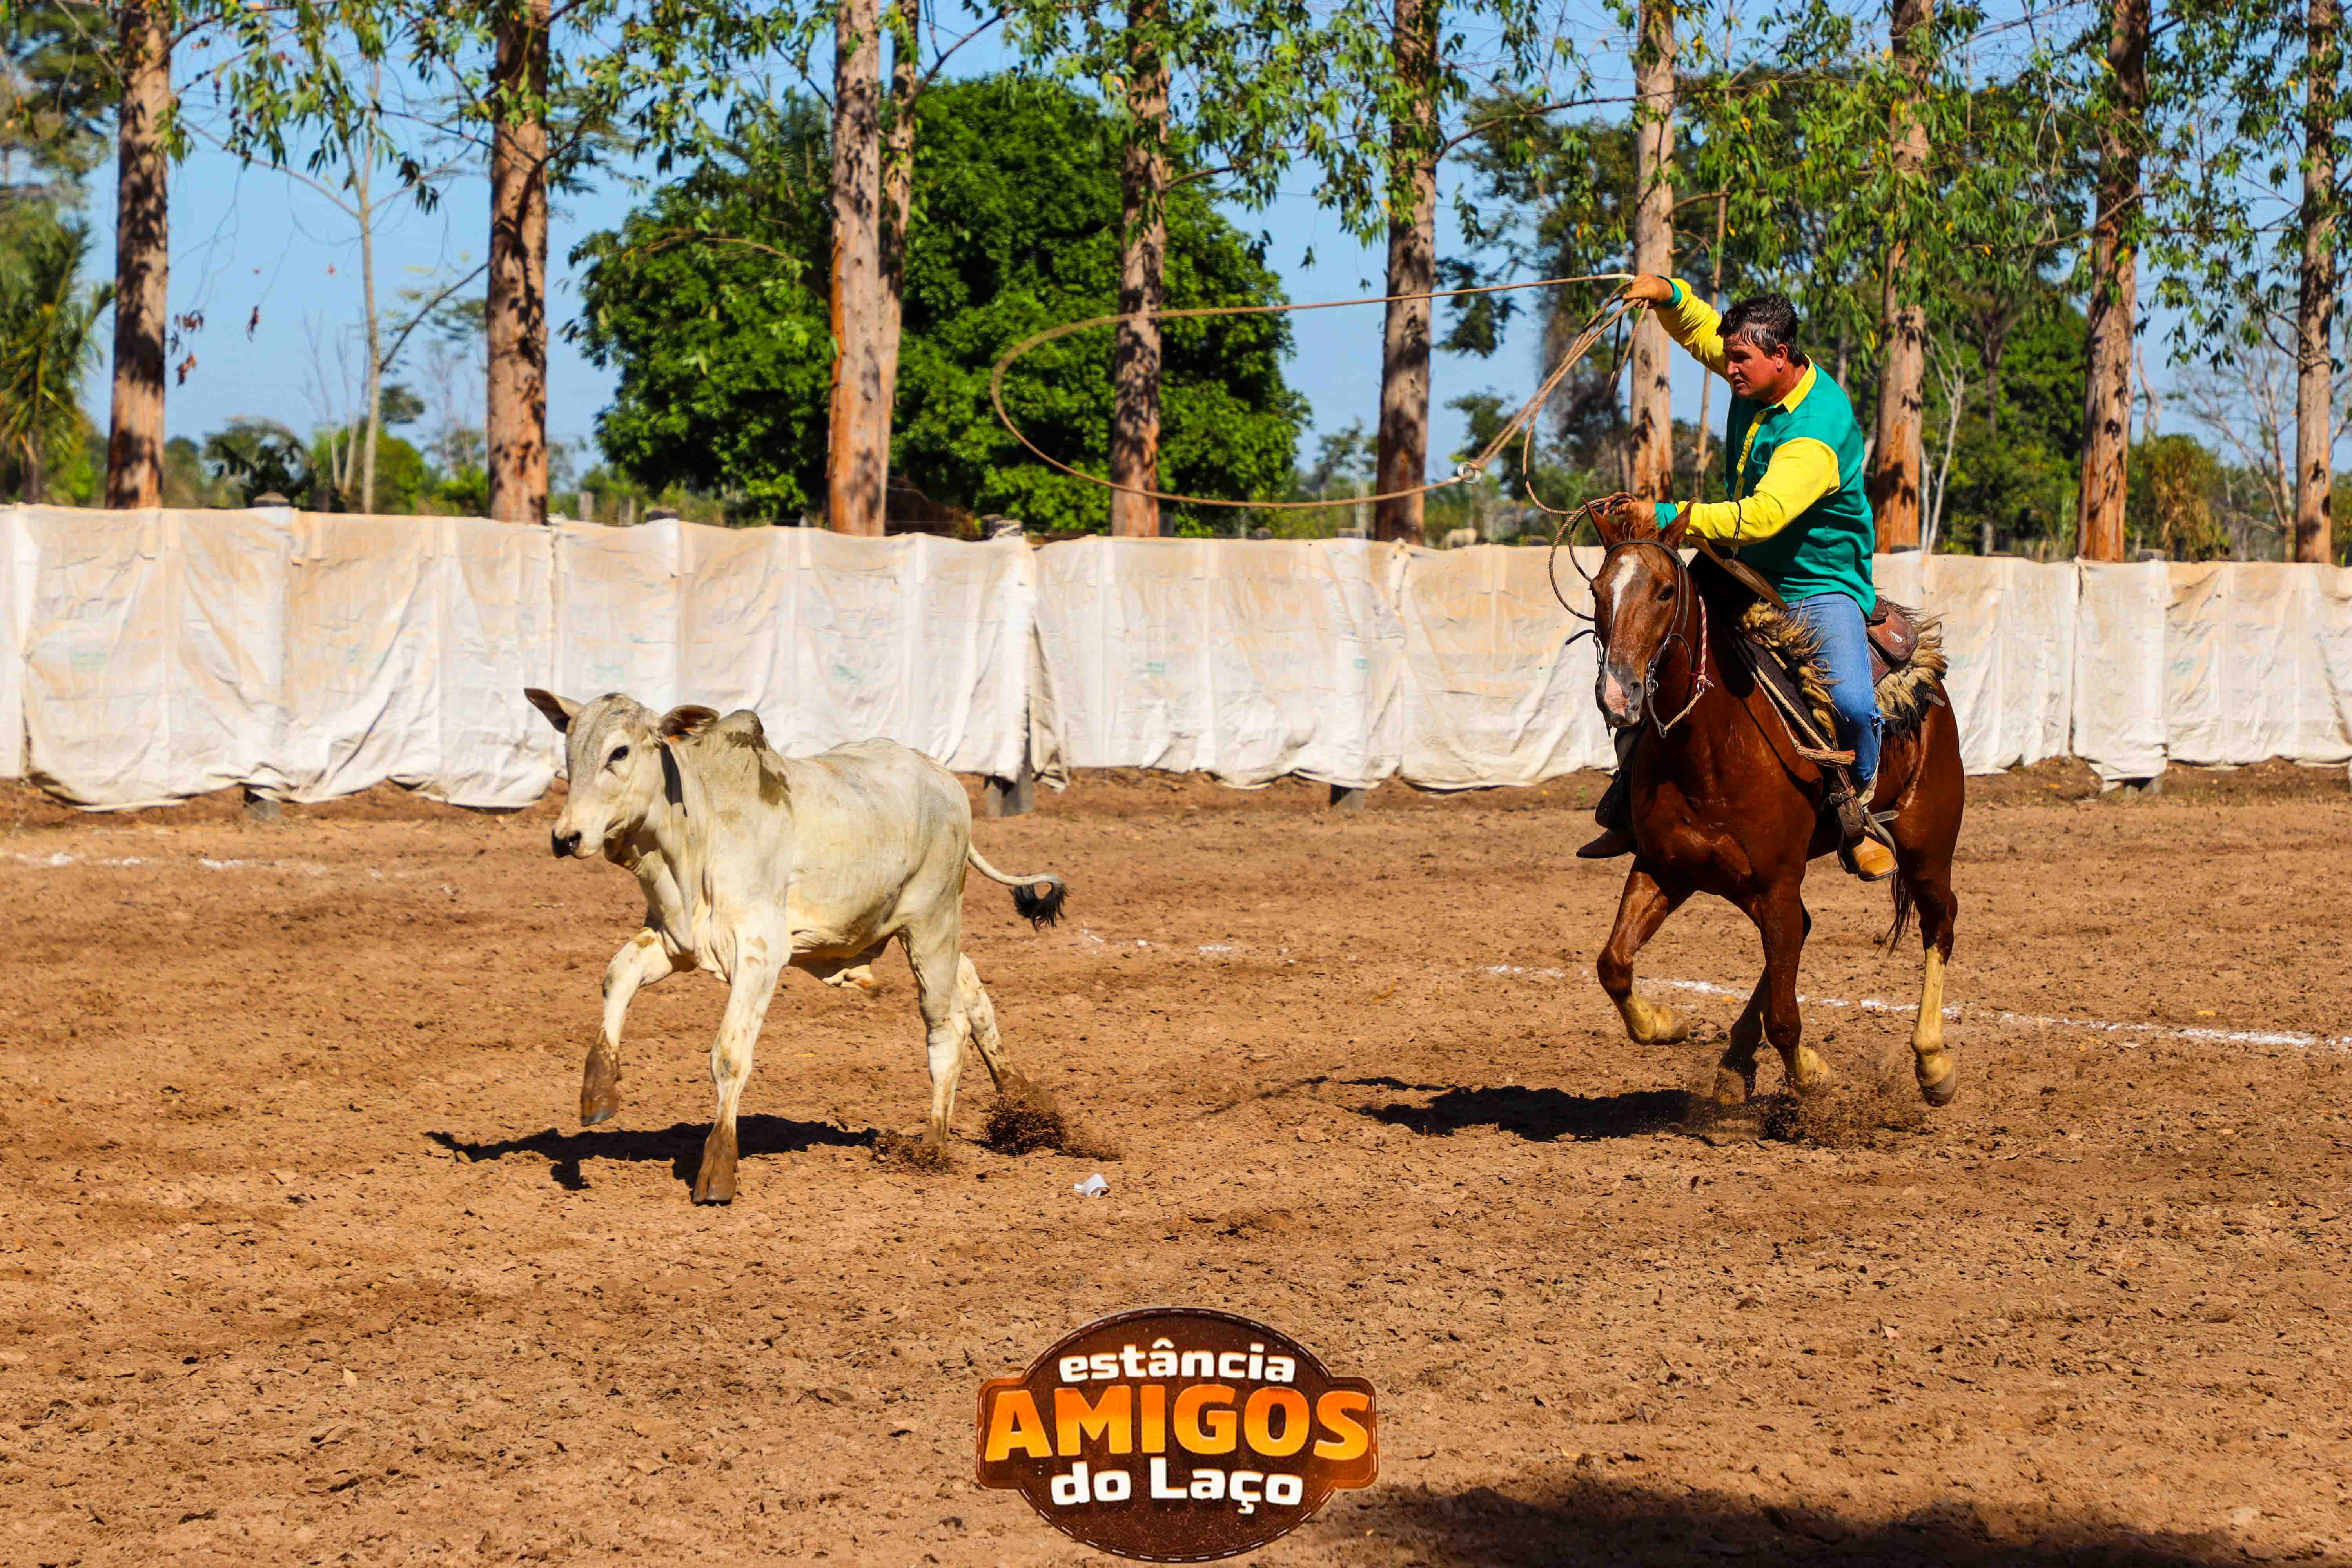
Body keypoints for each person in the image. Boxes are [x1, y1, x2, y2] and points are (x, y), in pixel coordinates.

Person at [1578, 276, 1895, 882]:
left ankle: (1858, 814)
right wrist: (1668, 294)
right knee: (1649, 645)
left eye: (1740, 360)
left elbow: (1765, 516)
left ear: (1781, 356)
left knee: (1853, 703)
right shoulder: (1756, 372)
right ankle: (1632, 792)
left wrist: (1666, 515)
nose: (1729, 370)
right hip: (1738, 566)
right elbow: (1702, 330)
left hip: (1816, 582)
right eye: (1730, 358)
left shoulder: (1816, 428)